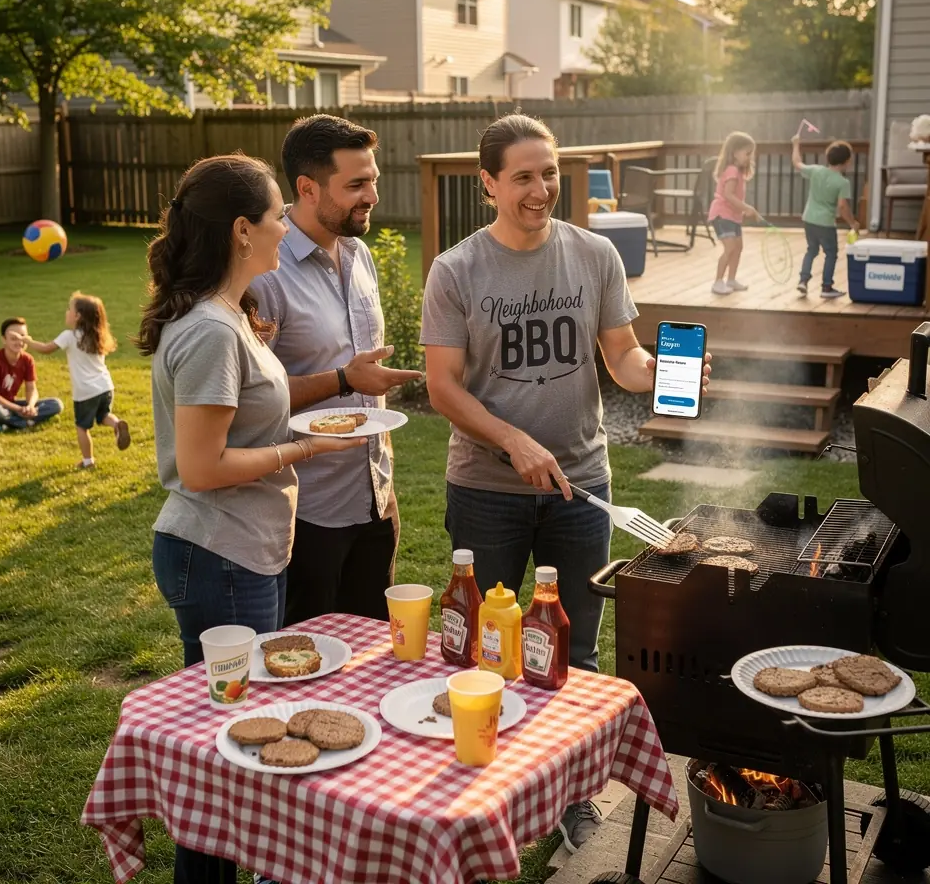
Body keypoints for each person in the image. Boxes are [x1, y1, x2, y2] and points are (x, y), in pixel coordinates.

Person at [420, 113, 710, 854]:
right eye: (522, 175)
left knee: (573, 655)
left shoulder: (594, 255)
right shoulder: (457, 270)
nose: (541, 188)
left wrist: (669, 376)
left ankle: (575, 799)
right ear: (487, 183)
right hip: (486, 491)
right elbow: (444, 388)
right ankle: (484, 793)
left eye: (548, 172)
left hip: (580, 486)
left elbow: (623, 360)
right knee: (487, 651)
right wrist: (513, 439)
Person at [137, 151, 376, 884]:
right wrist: (296, 451)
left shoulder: (227, 320)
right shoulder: (212, 329)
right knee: (232, 741)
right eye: (276, 215)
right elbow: (202, 468)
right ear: (243, 230)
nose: (285, 227)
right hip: (221, 557)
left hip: (239, 551)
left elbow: (229, 416)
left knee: (234, 736)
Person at [254, 114, 422, 626]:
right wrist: (345, 379)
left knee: (372, 655)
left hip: (375, 494)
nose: (372, 195)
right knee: (308, 660)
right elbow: (253, 398)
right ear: (307, 188)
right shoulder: (265, 271)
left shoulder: (359, 253)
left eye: (373, 180)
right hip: (307, 509)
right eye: (356, 184)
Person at [26, 292, 131, 468]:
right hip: (105, 387)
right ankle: (117, 424)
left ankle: (88, 461)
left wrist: (28, 341)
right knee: (103, 415)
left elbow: (46, 349)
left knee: (82, 427)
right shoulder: (99, 336)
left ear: (77, 316)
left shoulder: (69, 336)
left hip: (85, 391)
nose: (66, 312)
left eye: (69, 309)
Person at [792, 136, 860, 300]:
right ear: (846, 161)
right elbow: (843, 207)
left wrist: (795, 145)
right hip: (826, 224)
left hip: (809, 219)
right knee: (831, 253)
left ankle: (803, 280)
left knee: (811, 250)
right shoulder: (842, 183)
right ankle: (827, 287)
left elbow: (797, 163)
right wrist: (853, 223)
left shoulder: (816, 170)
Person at [0, 318, 64, 433]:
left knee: (56, 404)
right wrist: (18, 409)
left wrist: (30, 406)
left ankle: (6, 425)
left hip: (10, 404)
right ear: (4, 340)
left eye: (22, 337)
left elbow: (31, 389)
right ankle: (26, 422)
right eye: (14, 338)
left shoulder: (27, 359)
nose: (19, 342)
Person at [707, 131, 759, 295]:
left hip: (733, 216)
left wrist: (743, 210)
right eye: (747, 153)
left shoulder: (737, 171)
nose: (749, 157)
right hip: (722, 215)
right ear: (735, 152)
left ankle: (731, 280)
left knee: (738, 247)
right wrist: (747, 208)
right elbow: (728, 195)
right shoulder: (731, 171)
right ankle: (717, 282)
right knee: (730, 248)